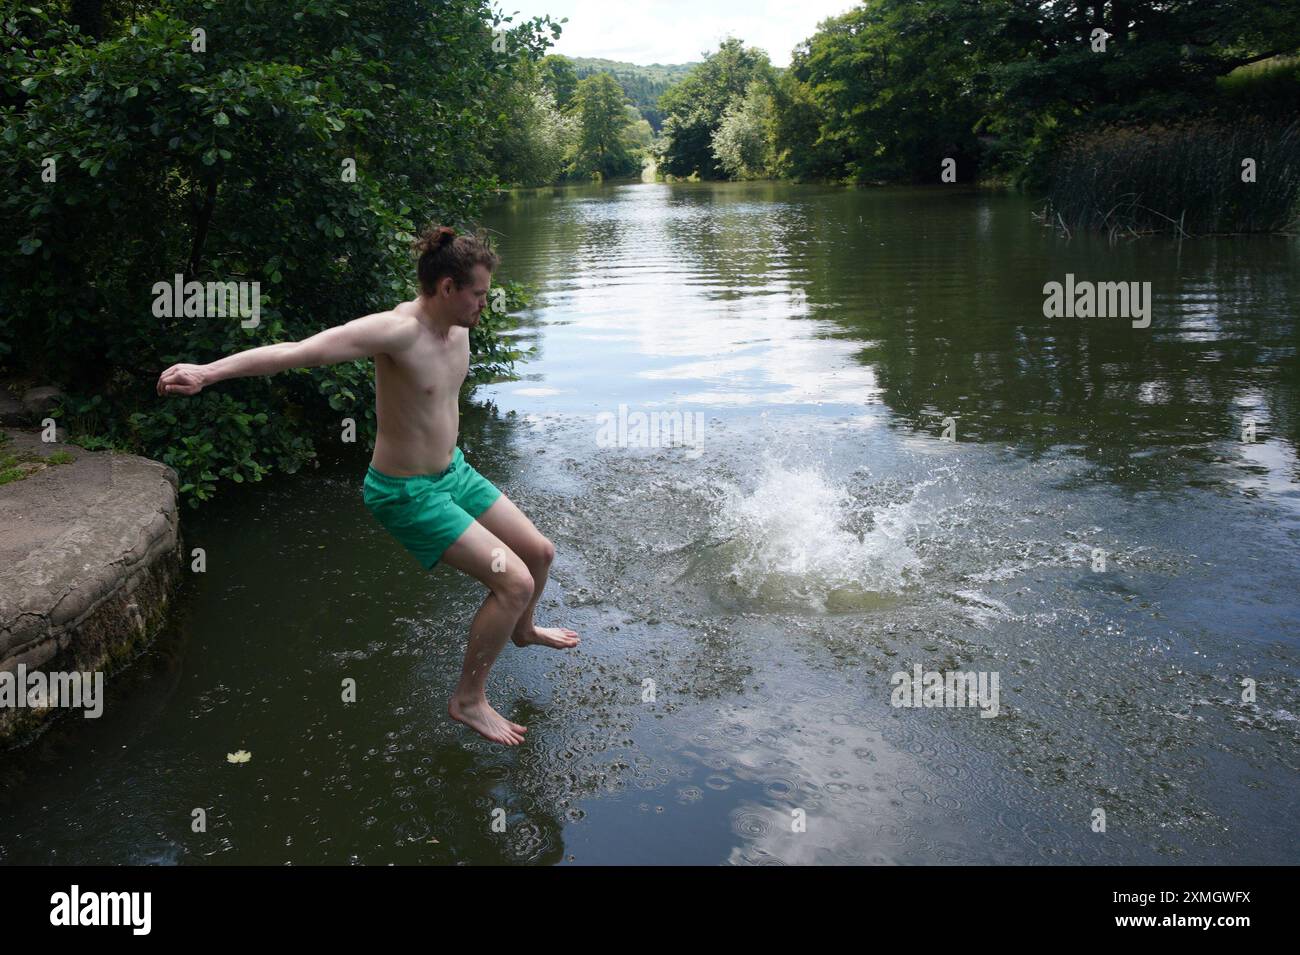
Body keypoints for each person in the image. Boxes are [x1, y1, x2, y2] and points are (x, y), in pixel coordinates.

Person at [156, 224, 578, 746]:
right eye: (478, 294)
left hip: (454, 472)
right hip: (406, 492)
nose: (484, 306)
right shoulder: (396, 332)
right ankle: (468, 700)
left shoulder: (459, 324)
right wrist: (206, 373)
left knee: (539, 554)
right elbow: (299, 352)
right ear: (447, 287)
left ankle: (523, 629)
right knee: (513, 583)